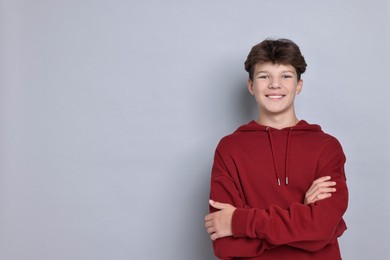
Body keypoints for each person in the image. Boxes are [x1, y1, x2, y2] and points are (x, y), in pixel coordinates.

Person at [204, 38, 348, 259]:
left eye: (286, 76)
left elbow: (322, 230)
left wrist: (240, 222)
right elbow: (226, 246)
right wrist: (303, 219)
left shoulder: (327, 147)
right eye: (264, 76)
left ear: (298, 85)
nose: (274, 84)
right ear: (251, 86)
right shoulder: (229, 148)